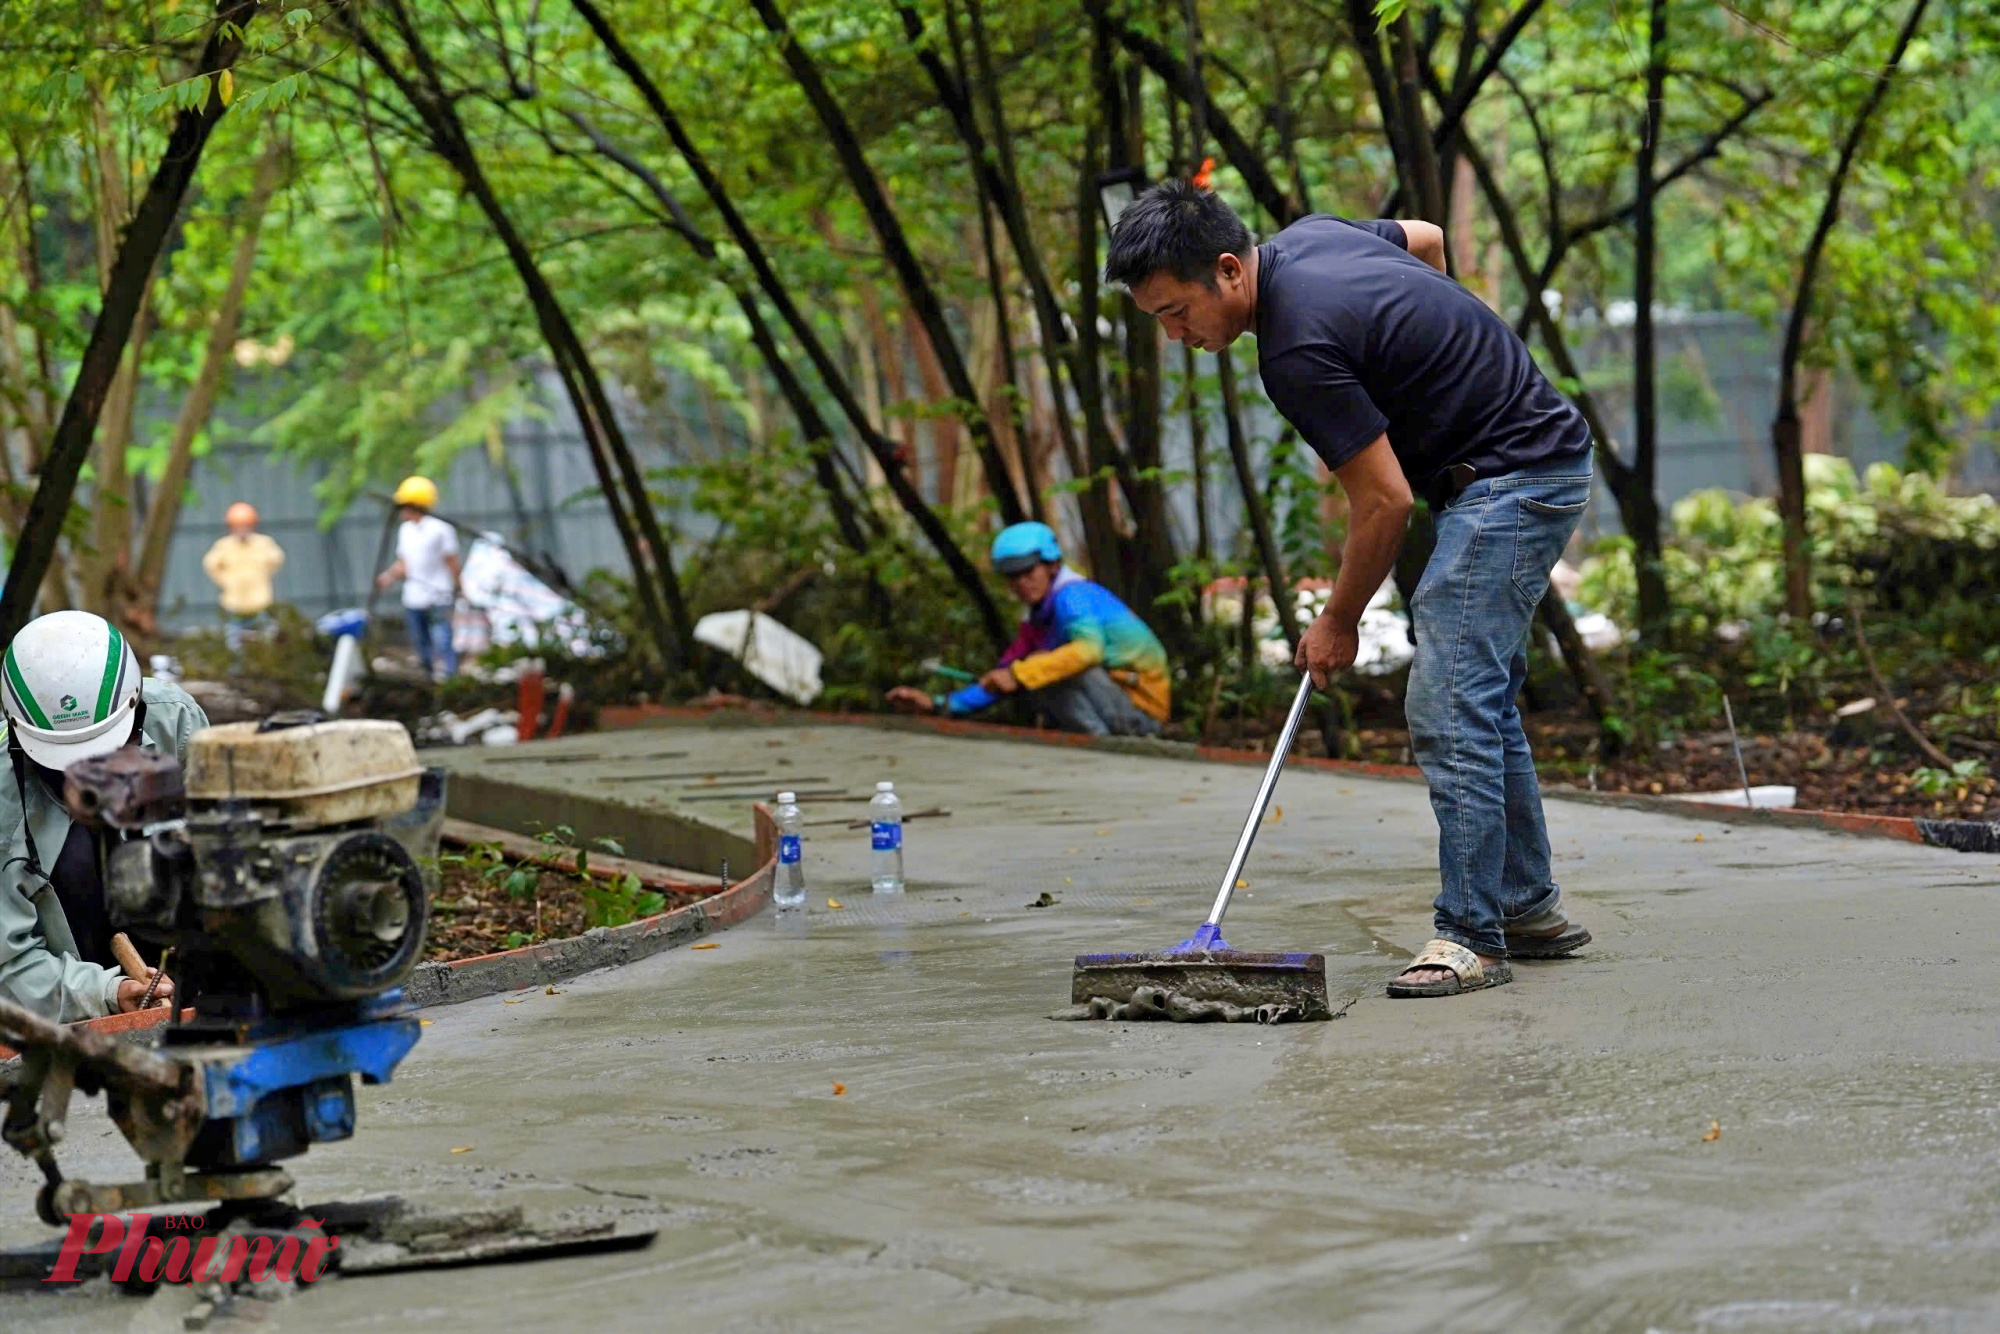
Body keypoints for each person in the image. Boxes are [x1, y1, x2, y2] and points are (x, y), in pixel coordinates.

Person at [1107, 179, 1594, 999]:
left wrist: (1336, 621)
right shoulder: (1316, 236)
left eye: (1175, 314)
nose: (1176, 335)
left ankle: (1472, 935)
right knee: (1480, 691)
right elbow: (1431, 238)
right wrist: (1446, 355)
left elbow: (1385, 503)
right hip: (1529, 460)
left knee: (1447, 700)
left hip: (1514, 479)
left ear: (1228, 271)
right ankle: (1525, 904)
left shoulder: (1294, 349)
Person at [0, 611, 207, 1020]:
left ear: (135, 709)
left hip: (188, 967)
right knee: (75, 859)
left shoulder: (177, 722)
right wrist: (106, 993)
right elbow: (9, 961)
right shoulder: (4, 801)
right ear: (19, 732)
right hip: (68, 999)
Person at [886, 522, 1170, 737]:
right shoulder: (1038, 615)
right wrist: (939, 705)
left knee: (1045, 671)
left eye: (1028, 572)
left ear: (1052, 565)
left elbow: (1088, 652)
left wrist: (1021, 673)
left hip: (1141, 713)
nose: (1022, 583)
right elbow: (1004, 676)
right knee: (1035, 670)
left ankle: (1101, 747)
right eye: (1012, 576)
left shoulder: (1074, 597)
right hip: (1113, 703)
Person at [375, 476, 461, 680]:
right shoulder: (406, 531)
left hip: (439, 594)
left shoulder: (441, 529)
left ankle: (450, 677)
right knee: (420, 640)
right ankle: (427, 676)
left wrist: (460, 586)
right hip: (414, 595)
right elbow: (405, 563)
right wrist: (388, 577)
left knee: (443, 638)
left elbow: (452, 561)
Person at [201, 501, 285, 653]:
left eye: (246, 525)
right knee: (234, 644)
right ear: (231, 527)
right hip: (235, 605)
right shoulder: (224, 546)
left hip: (260, 604)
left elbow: (277, 560)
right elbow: (210, 564)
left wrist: (264, 574)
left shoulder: (263, 543)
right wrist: (224, 581)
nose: (242, 529)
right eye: (238, 525)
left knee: (265, 640)